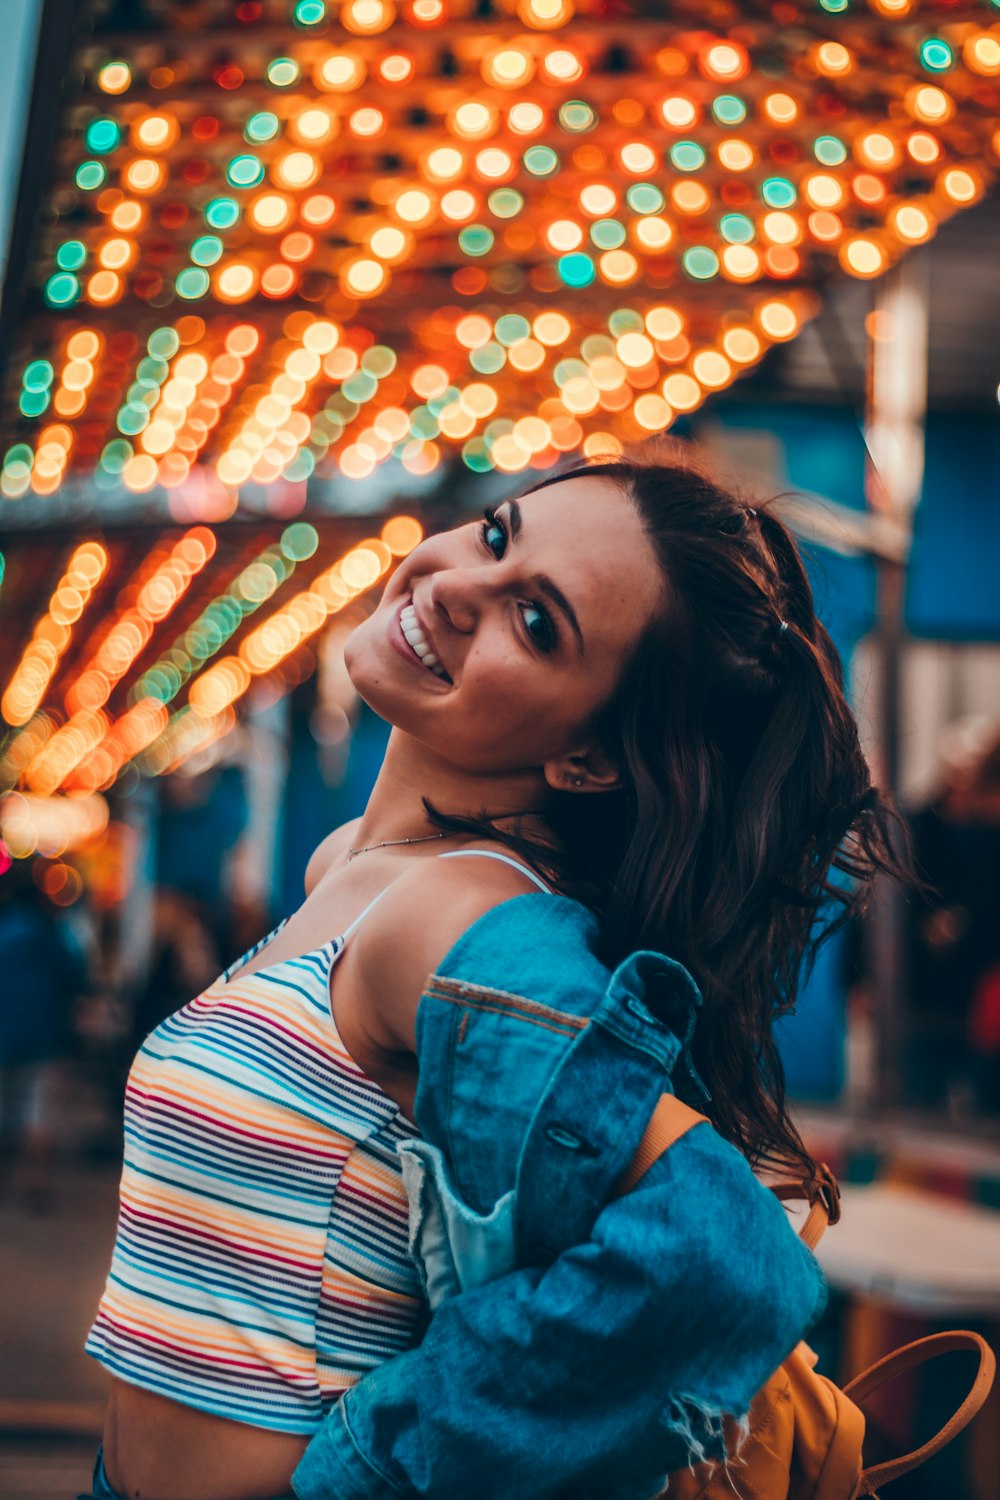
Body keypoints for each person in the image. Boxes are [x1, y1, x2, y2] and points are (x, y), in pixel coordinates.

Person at [80, 446, 905, 1500]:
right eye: (497, 533)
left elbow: (717, 1260)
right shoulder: (353, 865)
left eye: (537, 622)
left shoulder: (453, 916)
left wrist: (366, 1472)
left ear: (590, 761)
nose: (456, 586)